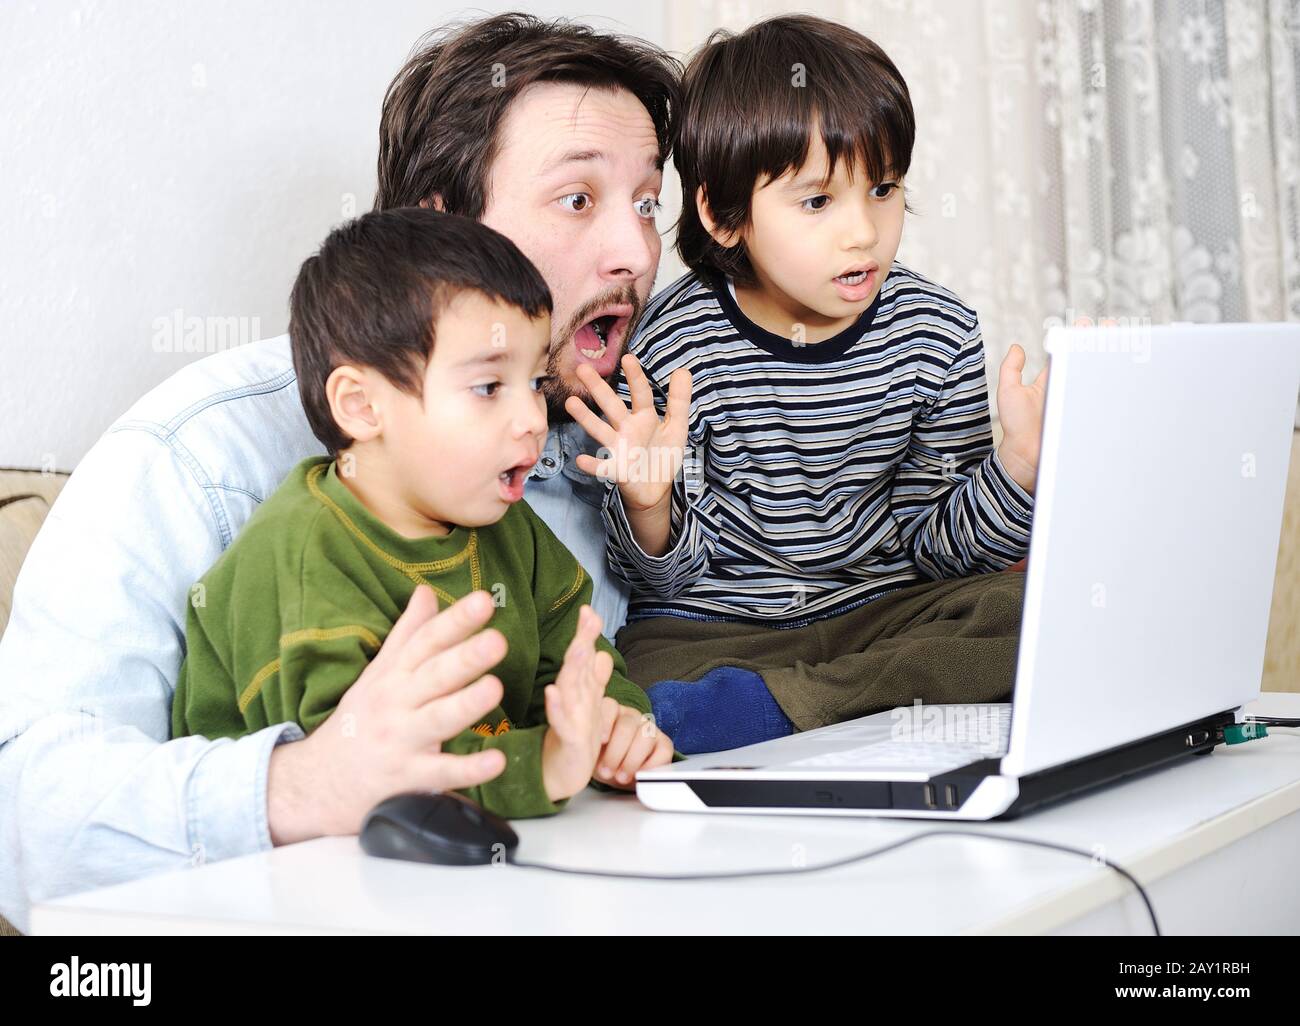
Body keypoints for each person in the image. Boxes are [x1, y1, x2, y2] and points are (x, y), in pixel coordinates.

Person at [0, 14, 683, 933]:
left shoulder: (589, 440)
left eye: (646, 203)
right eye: (577, 201)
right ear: (438, 231)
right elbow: (21, 814)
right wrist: (305, 785)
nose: (638, 255)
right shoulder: (200, 457)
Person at [565, 15, 1048, 754]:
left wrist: (1016, 468)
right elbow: (666, 578)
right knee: (631, 674)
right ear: (725, 217)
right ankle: (838, 704)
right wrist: (647, 500)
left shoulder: (938, 332)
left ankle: (788, 710)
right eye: (818, 201)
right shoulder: (670, 344)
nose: (864, 232)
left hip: (884, 615)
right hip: (715, 632)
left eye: (882, 190)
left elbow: (942, 549)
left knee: (1027, 611)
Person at [171, 208, 674, 818]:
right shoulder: (304, 557)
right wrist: (539, 766)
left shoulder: (504, 523)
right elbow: (366, 774)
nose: (533, 420)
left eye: (536, 384)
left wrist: (612, 726)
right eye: (489, 387)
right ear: (360, 406)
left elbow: (574, 657)